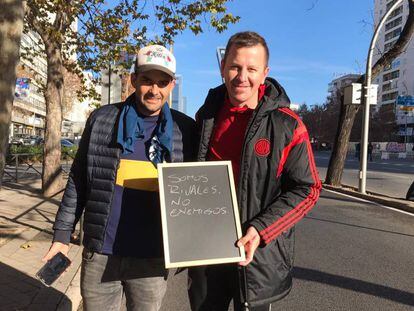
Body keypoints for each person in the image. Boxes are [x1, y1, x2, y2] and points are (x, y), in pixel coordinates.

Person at [42, 45, 197, 311]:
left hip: (152, 256)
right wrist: (61, 236)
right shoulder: (102, 120)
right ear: (133, 80)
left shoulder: (186, 130)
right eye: (147, 80)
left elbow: (198, 190)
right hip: (102, 251)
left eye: (162, 82)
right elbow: (78, 180)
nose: (154, 90)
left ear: (172, 85)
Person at [187, 31, 321, 311]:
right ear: (223, 67)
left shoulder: (288, 125)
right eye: (235, 66)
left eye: (251, 69)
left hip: (257, 253)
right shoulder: (205, 116)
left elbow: (308, 188)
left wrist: (261, 229)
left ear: (265, 73)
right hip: (206, 249)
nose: (241, 77)